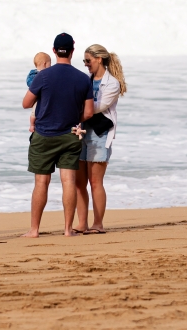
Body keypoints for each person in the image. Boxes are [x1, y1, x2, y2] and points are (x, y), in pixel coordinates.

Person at [21, 33, 93, 237]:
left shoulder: (42, 76)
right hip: (70, 134)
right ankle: (68, 229)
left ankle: (34, 230)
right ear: (72, 50)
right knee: (68, 181)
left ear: (54, 50)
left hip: (43, 135)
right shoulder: (82, 78)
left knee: (41, 182)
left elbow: (26, 103)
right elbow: (88, 112)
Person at [75, 44, 126, 234]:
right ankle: (82, 223)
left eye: (88, 60)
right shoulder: (85, 80)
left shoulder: (112, 83)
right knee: (79, 183)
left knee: (95, 182)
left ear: (99, 59)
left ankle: (98, 223)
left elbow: (97, 107)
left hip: (99, 135)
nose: (86, 64)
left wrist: (74, 108)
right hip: (81, 133)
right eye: (84, 61)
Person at [26, 52, 52, 133]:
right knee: (34, 113)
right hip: (38, 97)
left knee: (35, 112)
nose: (50, 66)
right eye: (49, 64)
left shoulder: (34, 74)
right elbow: (30, 83)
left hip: (40, 96)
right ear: (45, 64)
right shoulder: (35, 74)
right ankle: (32, 125)